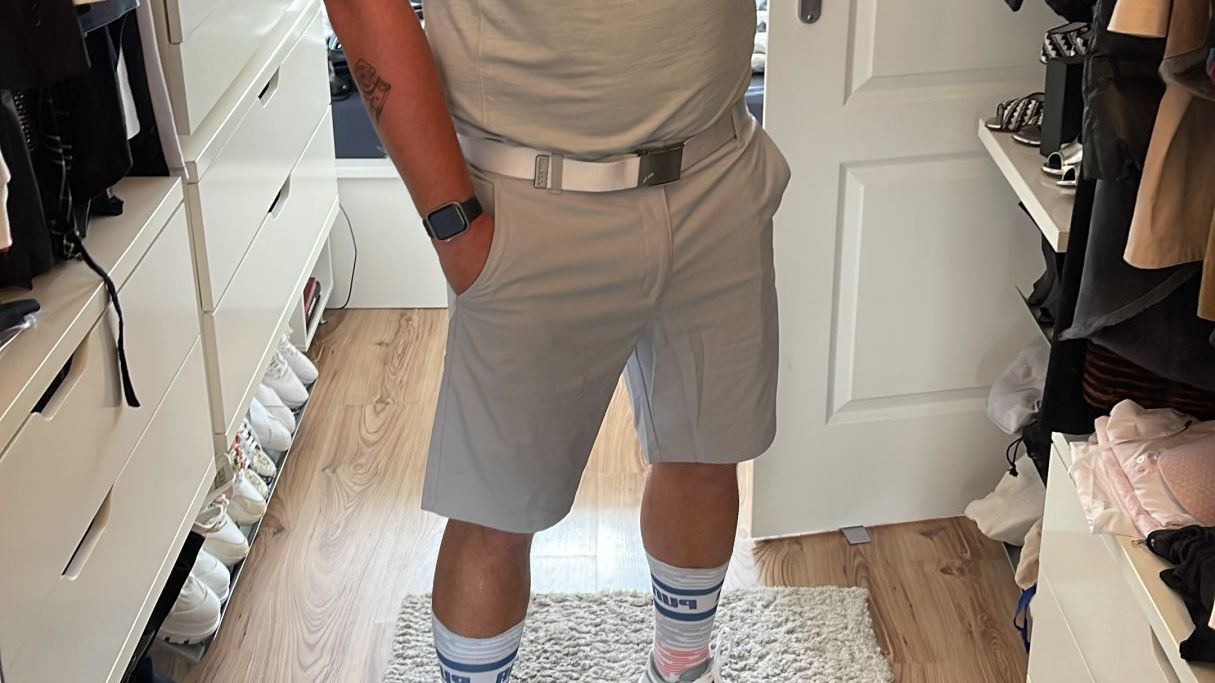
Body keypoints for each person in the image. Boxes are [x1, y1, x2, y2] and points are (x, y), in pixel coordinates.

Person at [323, 1, 790, 681]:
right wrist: (453, 225)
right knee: (495, 511)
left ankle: (682, 665)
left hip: (715, 167)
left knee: (705, 453)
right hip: (530, 191)